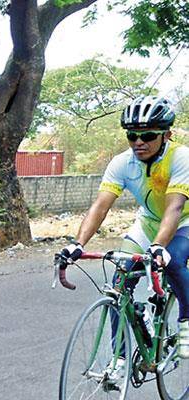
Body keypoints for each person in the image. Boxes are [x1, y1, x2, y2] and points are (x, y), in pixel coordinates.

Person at [61, 95, 189, 359]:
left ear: (166, 135)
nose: (139, 142)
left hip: (184, 221)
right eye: (132, 136)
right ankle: (119, 358)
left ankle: (187, 321)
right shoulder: (122, 162)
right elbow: (100, 206)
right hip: (149, 223)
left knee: (173, 260)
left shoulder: (182, 158)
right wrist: (78, 243)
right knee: (119, 283)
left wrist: (158, 248)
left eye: (148, 135)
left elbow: (174, 208)